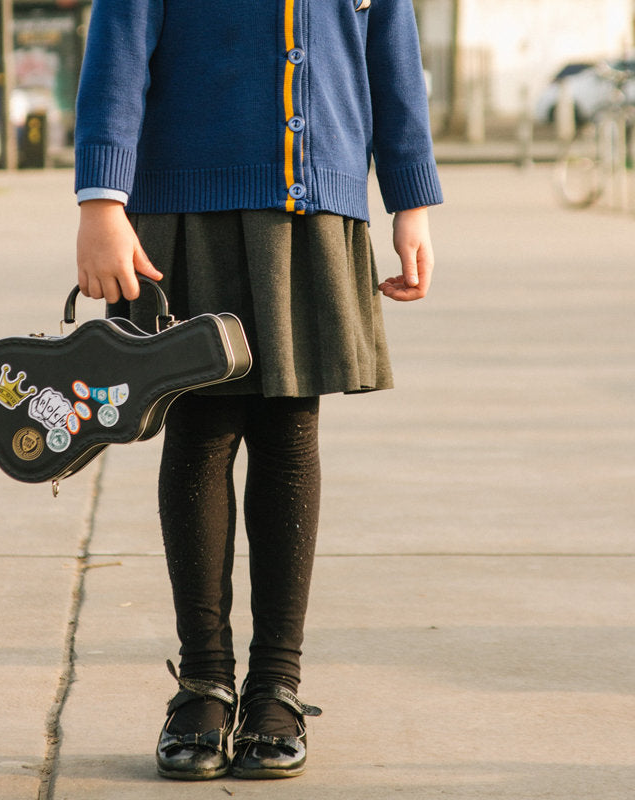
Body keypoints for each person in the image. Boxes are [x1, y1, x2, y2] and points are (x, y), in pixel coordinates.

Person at [74, 0, 442, 782]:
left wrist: (410, 201)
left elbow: (391, 53)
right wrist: (101, 201)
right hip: (183, 207)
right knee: (200, 432)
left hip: (314, 207)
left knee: (289, 435)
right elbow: (118, 49)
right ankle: (204, 683)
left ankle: (277, 685)